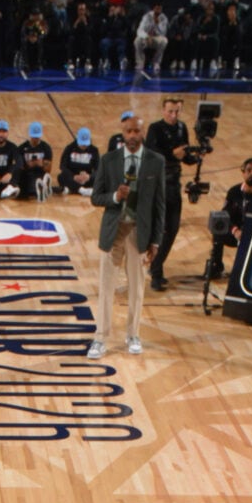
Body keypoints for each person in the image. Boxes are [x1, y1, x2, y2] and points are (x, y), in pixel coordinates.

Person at [90, 111, 167, 358]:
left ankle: (133, 335)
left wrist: (156, 240)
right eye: (128, 131)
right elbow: (95, 197)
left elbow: (159, 205)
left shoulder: (156, 161)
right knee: (106, 287)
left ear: (143, 133)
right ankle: (100, 338)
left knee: (136, 288)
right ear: (122, 133)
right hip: (114, 230)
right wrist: (115, 197)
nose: (132, 136)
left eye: (136, 131)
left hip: (139, 231)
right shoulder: (108, 159)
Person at [141, 96, 195, 289]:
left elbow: (185, 156)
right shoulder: (155, 129)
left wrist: (194, 157)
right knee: (158, 228)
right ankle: (155, 270)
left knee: (173, 228)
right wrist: (173, 154)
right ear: (163, 110)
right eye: (170, 111)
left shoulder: (182, 128)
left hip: (174, 183)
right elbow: (151, 154)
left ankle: (156, 265)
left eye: (177, 111)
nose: (173, 115)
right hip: (158, 184)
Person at [205, 156, 252, 282]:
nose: (251, 173)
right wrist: (235, 231)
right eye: (249, 170)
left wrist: (251, 232)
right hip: (236, 233)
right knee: (218, 229)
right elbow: (225, 216)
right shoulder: (234, 192)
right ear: (243, 173)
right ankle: (216, 265)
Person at [59, 126, 100, 198]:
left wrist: (89, 176)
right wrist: (73, 176)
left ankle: (73, 189)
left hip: (86, 178)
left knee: (100, 178)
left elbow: (99, 169)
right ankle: (81, 190)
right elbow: (63, 166)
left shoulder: (94, 150)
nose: (84, 146)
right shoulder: (69, 148)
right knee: (61, 177)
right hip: (73, 177)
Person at [19, 122, 54, 201]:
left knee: (37, 179)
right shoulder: (22, 148)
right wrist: (28, 165)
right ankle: (42, 189)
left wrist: (41, 164)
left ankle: (43, 187)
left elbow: (48, 169)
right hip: (27, 173)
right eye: (34, 137)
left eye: (37, 137)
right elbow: (19, 167)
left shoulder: (46, 148)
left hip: (40, 173)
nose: (35, 139)